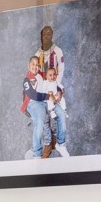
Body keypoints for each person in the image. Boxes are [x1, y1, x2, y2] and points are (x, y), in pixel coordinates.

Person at [33, 25, 69, 158]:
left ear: (52, 35)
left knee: (59, 115)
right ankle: (48, 143)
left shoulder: (57, 51)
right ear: (41, 36)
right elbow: (36, 75)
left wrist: (57, 89)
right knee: (43, 118)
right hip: (43, 93)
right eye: (44, 34)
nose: (47, 36)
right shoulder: (37, 55)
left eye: (49, 34)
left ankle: (60, 142)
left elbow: (61, 70)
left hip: (55, 90)